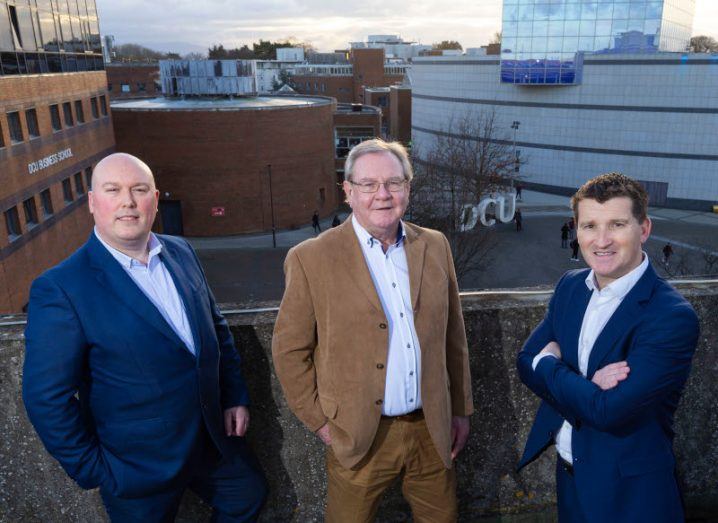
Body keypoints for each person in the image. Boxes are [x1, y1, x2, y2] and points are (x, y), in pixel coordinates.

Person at [23, 153, 267, 522]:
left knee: (248, 496)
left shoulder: (181, 251)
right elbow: (45, 398)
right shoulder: (62, 288)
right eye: (113, 190)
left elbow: (215, 329)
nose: (128, 201)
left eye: (139, 190)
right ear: (92, 202)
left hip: (210, 441)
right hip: (135, 467)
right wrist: (95, 470)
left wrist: (233, 395)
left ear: (154, 199)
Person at [272, 139, 473, 522]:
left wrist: (460, 409)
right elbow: (289, 350)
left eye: (394, 183)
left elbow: (454, 337)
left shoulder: (435, 245)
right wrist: (321, 422)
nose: (382, 194)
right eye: (368, 184)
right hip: (359, 438)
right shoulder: (311, 258)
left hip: (432, 431)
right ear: (348, 191)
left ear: (408, 189)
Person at [516, 173, 699, 523]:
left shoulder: (671, 316)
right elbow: (525, 362)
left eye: (616, 224)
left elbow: (608, 411)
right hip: (569, 479)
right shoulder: (571, 286)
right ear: (576, 230)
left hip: (629, 497)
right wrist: (586, 384)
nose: (601, 241)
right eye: (589, 226)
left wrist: (552, 367)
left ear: (643, 229)